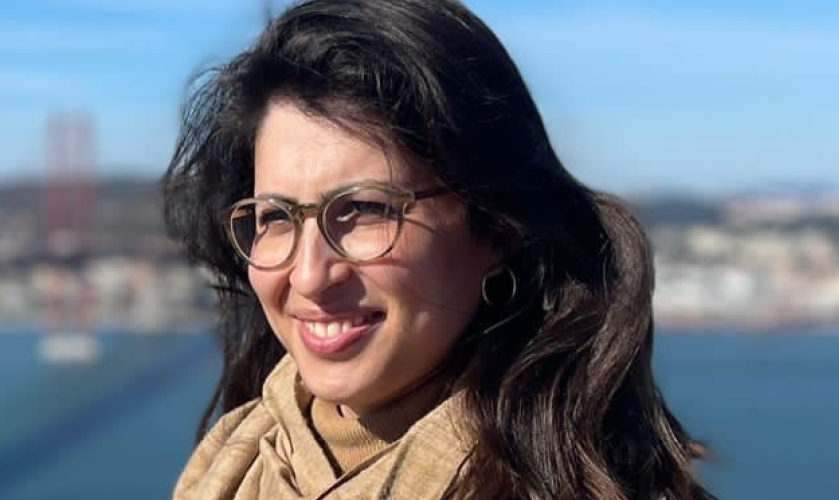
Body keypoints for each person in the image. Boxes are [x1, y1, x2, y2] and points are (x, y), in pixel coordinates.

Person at [161, 1, 716, 499]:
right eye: (275, 217)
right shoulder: (230, 468)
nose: (308, 276)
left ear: (497, 228)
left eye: (366, 209)